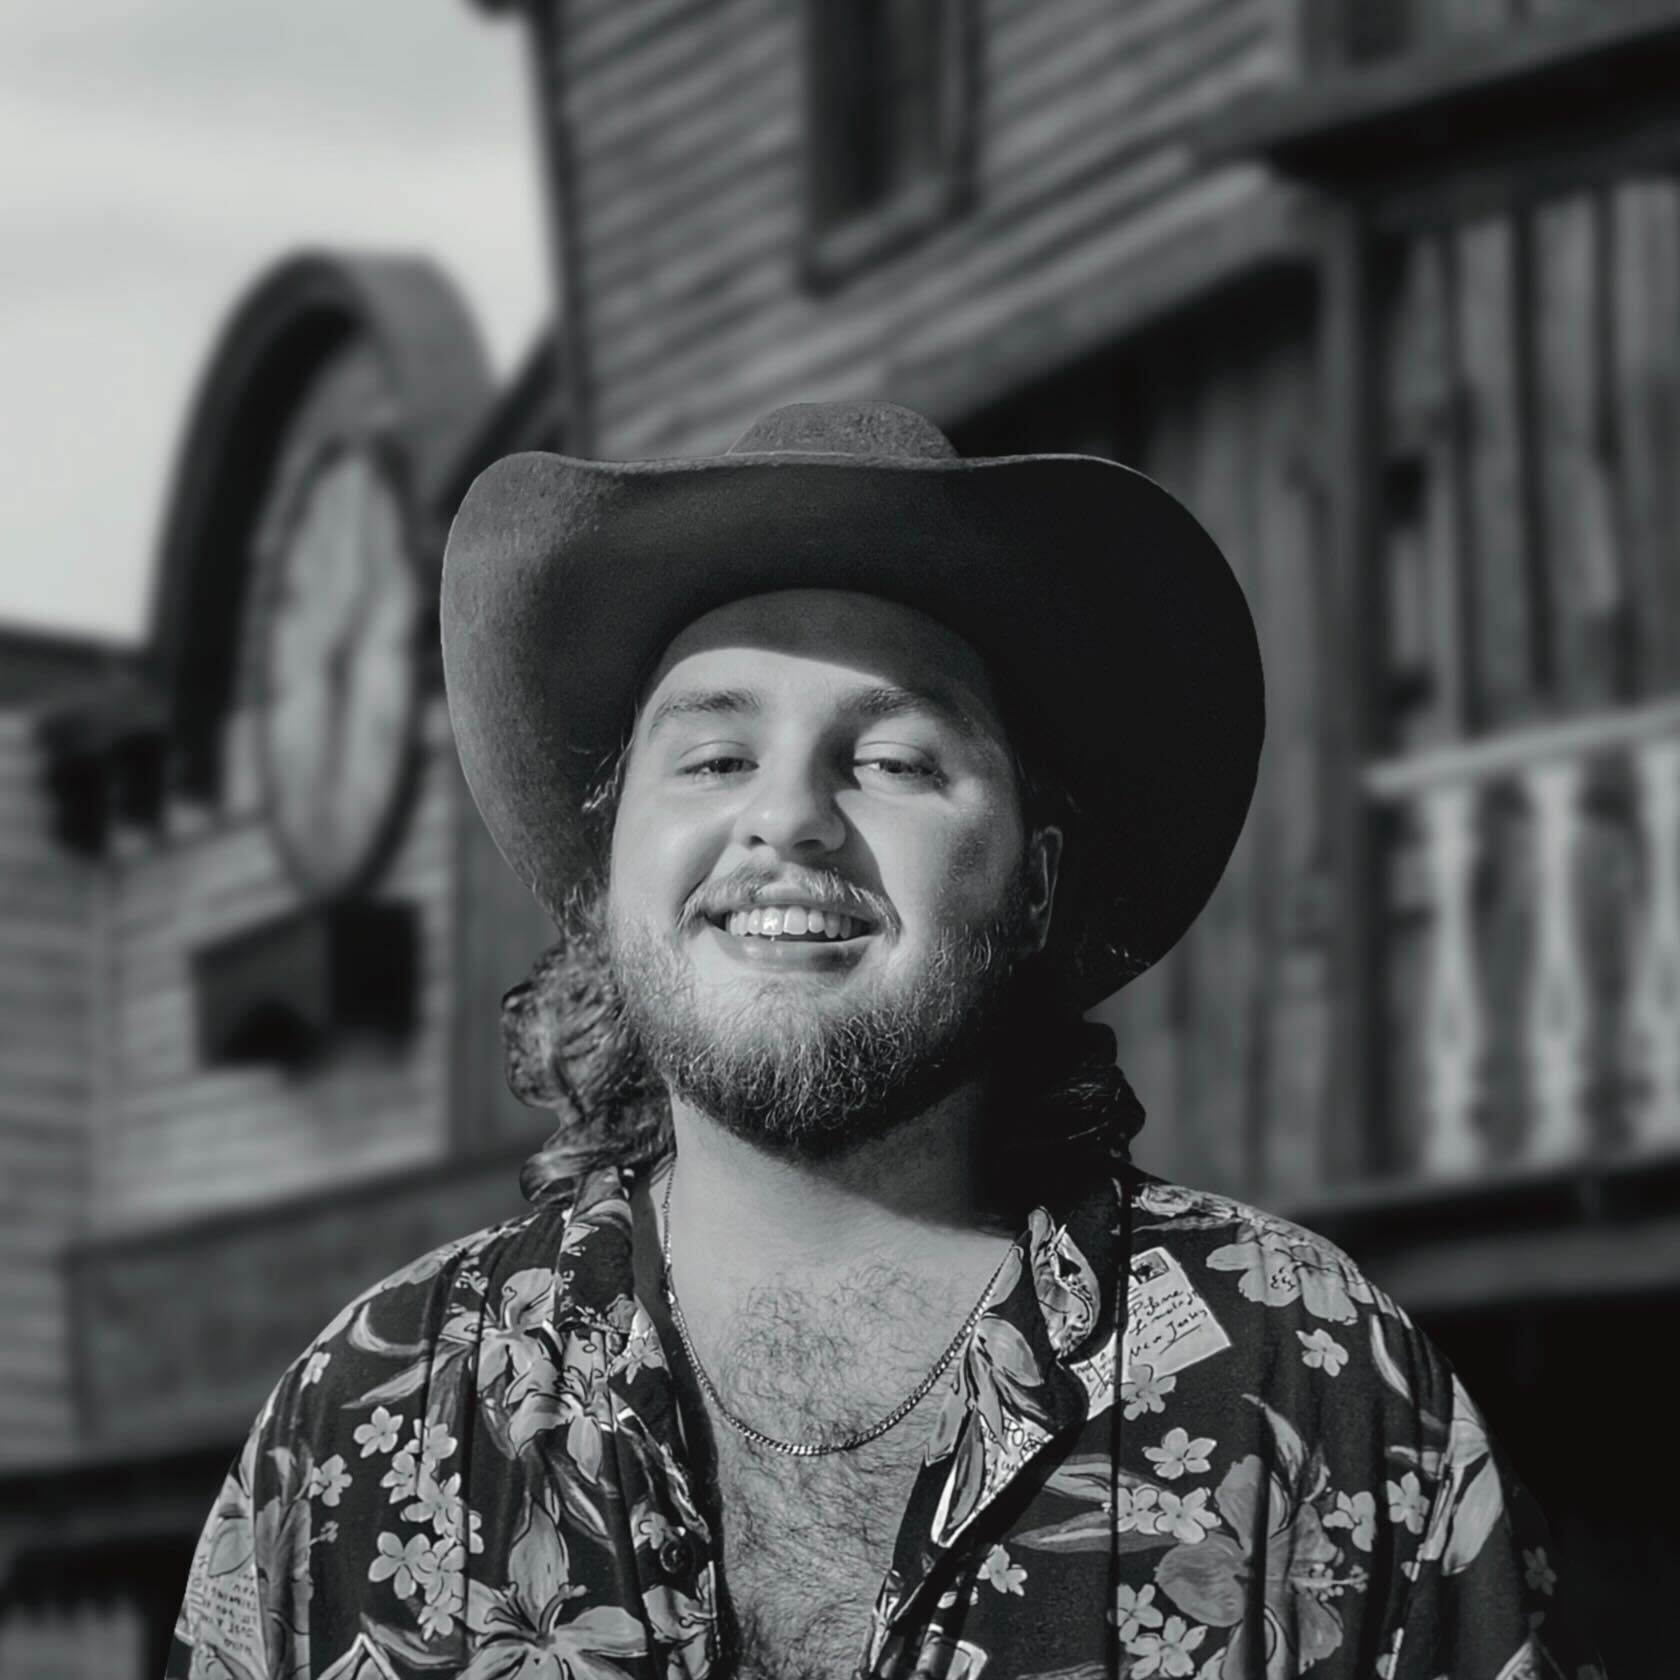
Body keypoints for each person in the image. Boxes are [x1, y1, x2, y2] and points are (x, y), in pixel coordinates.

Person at [167, 401, 1603, 1680]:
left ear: (1035, 881)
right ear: (609, 877)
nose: (787, 816)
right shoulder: (369, 1420)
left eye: (895, 761)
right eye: (717, 756)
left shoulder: (1311, 1387)